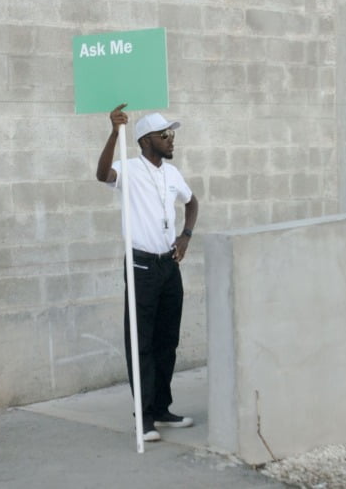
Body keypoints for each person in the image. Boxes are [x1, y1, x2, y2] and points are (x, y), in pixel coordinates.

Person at [96, 103, 199, 442]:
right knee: (141, 342)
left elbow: (192, 201)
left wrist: (185, 236)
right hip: (141, 265)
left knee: (167, 339)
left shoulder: (172, 174)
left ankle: (161, 408)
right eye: (164, 135)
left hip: (169, 265)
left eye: (172, 134)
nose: (171, 140)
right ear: (144, 141)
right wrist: (114, 132)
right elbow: (102, 175)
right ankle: (144, 418)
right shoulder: (129, 168)